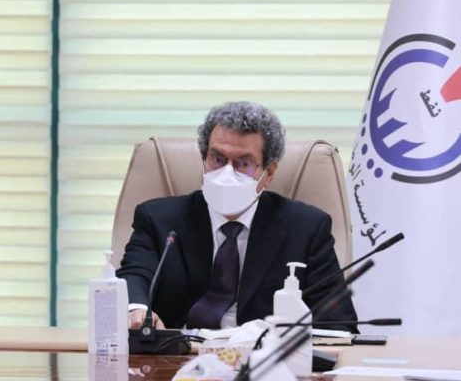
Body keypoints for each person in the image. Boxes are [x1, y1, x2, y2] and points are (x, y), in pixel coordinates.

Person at [118, 101, 358, 332]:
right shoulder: (158, 219)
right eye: (218, 159)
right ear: (204, 160)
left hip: (264, 362)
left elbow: (337, 325)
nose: (226, 173)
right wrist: (137, 310)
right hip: (176, 360)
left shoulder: (306, 228)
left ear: (269, 172)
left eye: (243, 163)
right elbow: (134, 275)